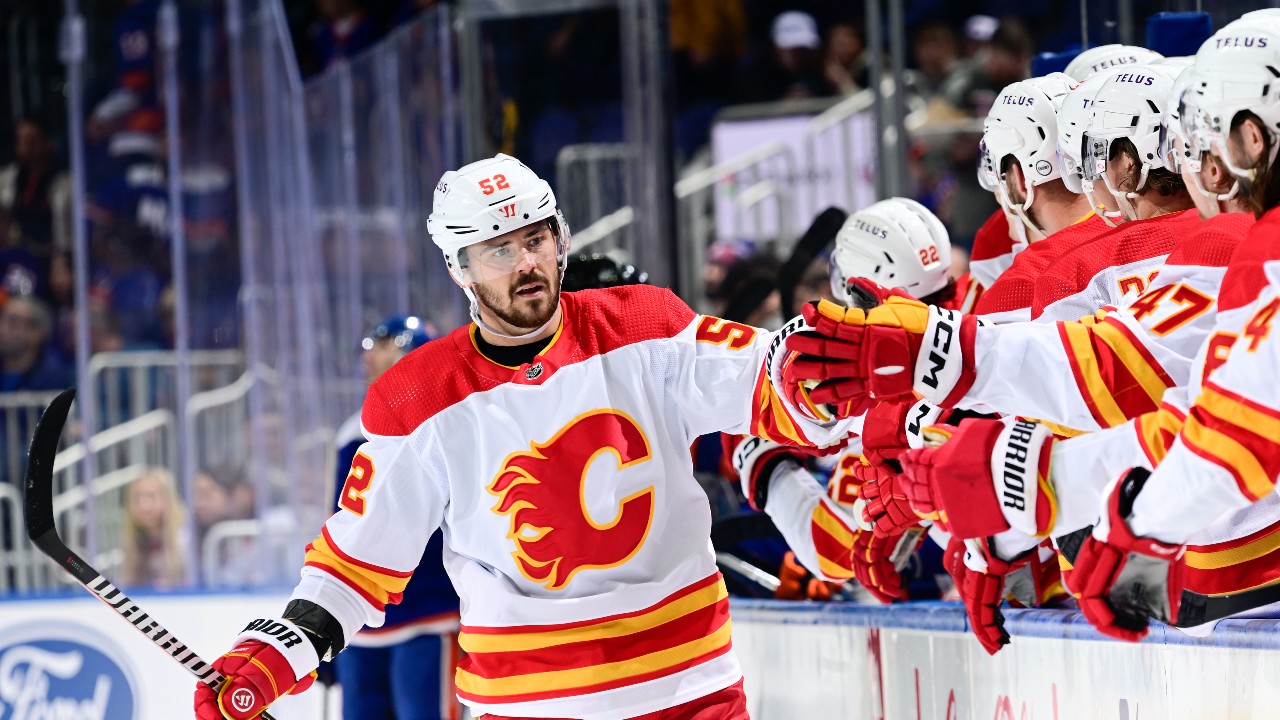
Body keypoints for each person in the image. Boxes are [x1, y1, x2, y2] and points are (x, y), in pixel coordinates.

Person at [195, 153, 854, 719]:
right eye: (500, 251)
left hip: (690, 691)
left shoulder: (647, 326)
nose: (527, 263)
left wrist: (835, 364)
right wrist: (280, 647)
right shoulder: (418, 397)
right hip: (529, 703)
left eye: (536, 239)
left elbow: (769, 379)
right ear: (460, 268)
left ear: (559, 239)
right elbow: (357, 560)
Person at [331, 314, 462, 720]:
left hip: (429, 615)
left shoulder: (449, 423)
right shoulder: (353, 431)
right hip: (361, 626)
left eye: (387, 348)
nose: (372, 359)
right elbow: (341, 525)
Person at [120, 467, 188, 589]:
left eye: (151, 497)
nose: (143, 506)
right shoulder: (131, 542)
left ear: (169, 499)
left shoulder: (184, 540)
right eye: (137, 498)